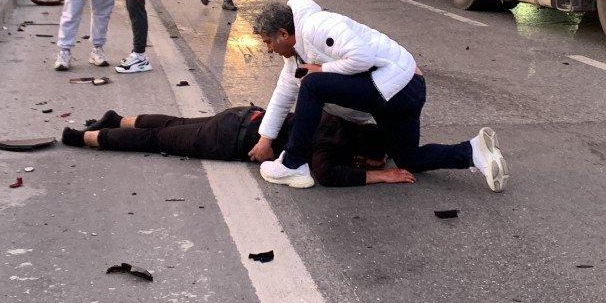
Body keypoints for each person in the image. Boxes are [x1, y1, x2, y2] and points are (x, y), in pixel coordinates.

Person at [249, 0, 508, 191]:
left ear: (283, 34)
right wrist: (265, 140)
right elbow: (284, 92)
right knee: (408, 159)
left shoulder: (316, 26)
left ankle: (293, 164)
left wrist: (321, 68)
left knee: (312, 84)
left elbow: (362, 58)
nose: (269, 49)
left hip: (398, 86)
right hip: (400, 92)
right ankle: (474, 151)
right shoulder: (297, 55)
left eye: (268, 42)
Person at [62, 106, 414, 187]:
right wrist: (381, 179)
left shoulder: (334, 119)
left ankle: (116, 118)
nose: (372, 166)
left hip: (242, 116)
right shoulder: (332, 145)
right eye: (372, 161)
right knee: (159, 140)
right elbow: (326, 173)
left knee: (175, 125)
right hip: (228, 140)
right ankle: (83, 138)